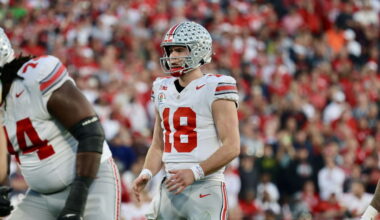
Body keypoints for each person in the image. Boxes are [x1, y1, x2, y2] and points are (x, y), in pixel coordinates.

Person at [0, 27, 121, 220]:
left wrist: (75, 204)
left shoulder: (33, 79)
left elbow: (92, 133)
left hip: (91, 182)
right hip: (40, 195)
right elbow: (2, 159)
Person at [132, 21, 240, 219]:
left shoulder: (216, 86)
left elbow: (232, 146)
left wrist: (195, 172)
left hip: (205, 187)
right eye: (171, 51)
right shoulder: (162, 88)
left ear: (199, 50)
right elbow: (158, 145)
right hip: (171, 187)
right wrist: (146, 173)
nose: (173, 56)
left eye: (180, 50)